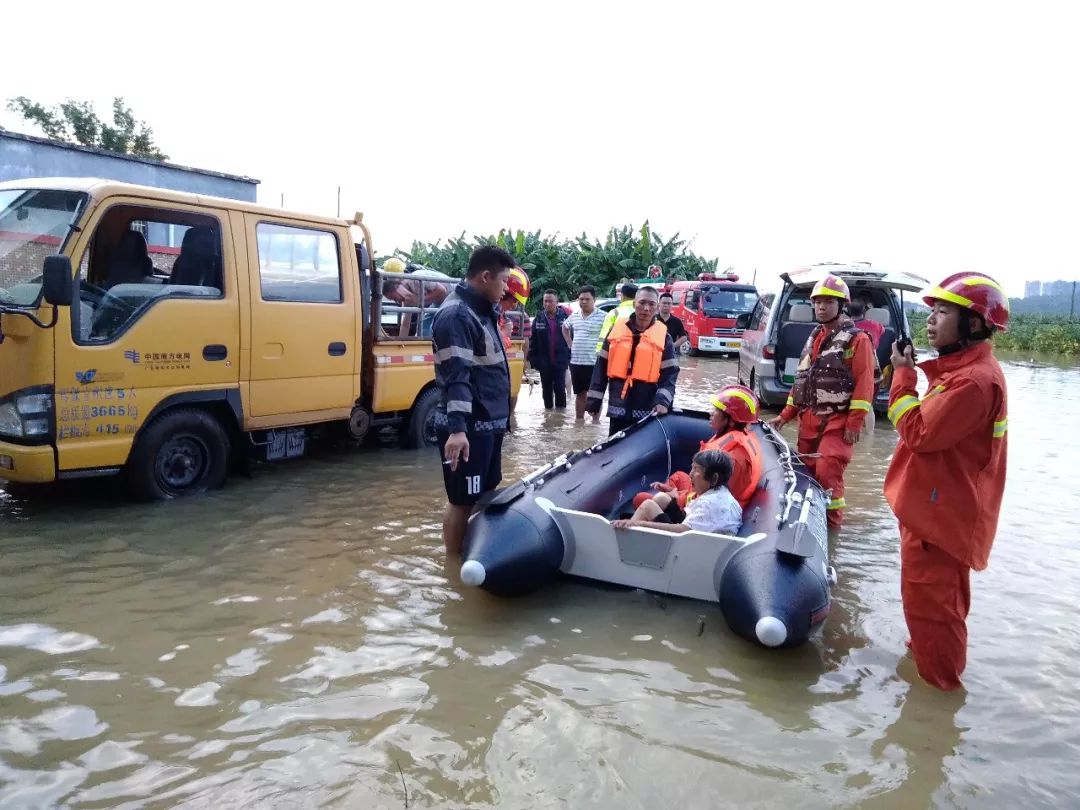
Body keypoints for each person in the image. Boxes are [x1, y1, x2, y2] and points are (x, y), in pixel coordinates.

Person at [884, 271, 1009, 691]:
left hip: (941, 520)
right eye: (931, 311)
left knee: (936, 612)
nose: (931, 320)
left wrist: (903, 376)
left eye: (942, 312)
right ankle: (925, 664)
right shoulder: (960, 373)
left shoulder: (974, 382)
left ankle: (937, 710)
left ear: (973, 323)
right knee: (926, 609)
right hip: (930, 513)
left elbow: (918, 432)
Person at [766, 273, 876, 529]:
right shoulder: (814, 338)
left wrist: (854, 424)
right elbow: (801, 383)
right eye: (817, 302)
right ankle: (807, 525)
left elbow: (864, 385)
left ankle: (832, 531)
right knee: (807, 474)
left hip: (838, 421)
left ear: (842, 305)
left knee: (828, 473)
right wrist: (785, 415)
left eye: (828, 302)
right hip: (809, 420)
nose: (821, 307)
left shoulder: (857, 340)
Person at [431, 245, 516, 555]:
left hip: (487, 425)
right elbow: (457, 376)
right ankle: (453, 567)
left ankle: (474, 555)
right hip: (469, 427)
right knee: (461, 501)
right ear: (485, 276)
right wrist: (457, 430)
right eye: (504, 280)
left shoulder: (481, 312)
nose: (507, 287)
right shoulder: (457, 315)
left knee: (482, 495)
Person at [634, 384, 763, 510]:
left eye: (717, 410)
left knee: (640, 499)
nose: (711, 413)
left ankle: (662, 508)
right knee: (679, 476)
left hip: (704, 507)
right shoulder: (734, 436)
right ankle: (665, 500)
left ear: (731, 420)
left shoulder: (733, 459)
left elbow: (709, 499)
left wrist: (677, 497)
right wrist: (673, 491)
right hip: (700, 491)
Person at [586, 286, 679, 435]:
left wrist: (662, 401)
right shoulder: (616, 331)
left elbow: (670, 373)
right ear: (634, 303)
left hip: (648, 410)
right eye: (642, 303)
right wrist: (594, 401)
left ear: (656, 307)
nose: (646, 308)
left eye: (651, 304)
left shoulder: (664, 337)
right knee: (615, 450)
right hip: (618, 407)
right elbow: (601, 367)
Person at [612, 450, 742, 535]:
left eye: (696, 470)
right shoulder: (721, 493)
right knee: (662, 498)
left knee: (647, 506)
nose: (690, 474)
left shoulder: (710, 503)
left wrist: (637, 523)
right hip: (694, 532)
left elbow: (683, 532)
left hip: (686, 543)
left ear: (714, 478)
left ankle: (626, 538)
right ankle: (631, 525)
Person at [562, 285, 607, 422]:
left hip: (595, 362)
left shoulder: (604, 316)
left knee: (595, 395)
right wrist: (569, 342)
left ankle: (595, 423)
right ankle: (579, 422)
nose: (584, 302)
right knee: (580, 394)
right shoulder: (574, 316)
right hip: (576, 362)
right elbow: (564, 327)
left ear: (594, 300)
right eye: (581, 299)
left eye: (587, 299)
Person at [528, 289, 571, 409]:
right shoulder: (539, 318)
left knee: (560, 388)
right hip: (544, 362)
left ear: (556, 301)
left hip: (560, 360)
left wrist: (569, 357)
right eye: (545, 301)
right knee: (546, 390)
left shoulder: (565, 317)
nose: (547, 304)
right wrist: (534, 361)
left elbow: (572, 338)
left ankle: (560, 418)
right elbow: (533, 341)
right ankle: (548, 416)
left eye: (550, 301)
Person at [595, 282, 638, 351]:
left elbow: (604, 336)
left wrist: (599, 353)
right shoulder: (642, 313)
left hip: (617, 352)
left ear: (622, 296)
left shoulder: (615, 313)